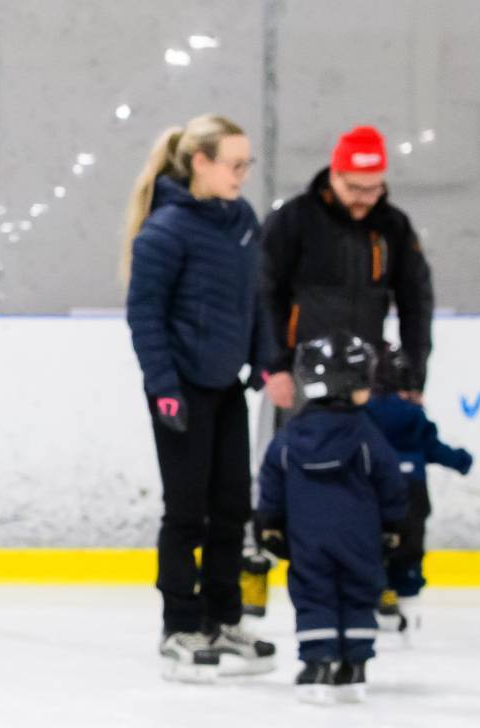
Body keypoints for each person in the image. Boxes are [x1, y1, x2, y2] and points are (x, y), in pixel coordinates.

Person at [122, 114, 278, 682]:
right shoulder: (165, 230)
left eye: (247, 164)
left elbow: (257, 298)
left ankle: (222, 618)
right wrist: (163, 387)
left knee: (233, 508)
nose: (242, 174)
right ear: (200, 163)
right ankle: (180, 625)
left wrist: (264, 358)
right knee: (187, 512)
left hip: (226, 385)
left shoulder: (241, 221)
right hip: (180, 390)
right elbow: (145, 316)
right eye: (234, 163)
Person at [256, 333, 407, 703]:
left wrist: (270, 523)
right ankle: (354, 667)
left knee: (313, 594)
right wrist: (392, 525)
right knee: (358, 594)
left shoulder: (289, 436)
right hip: (361, 539)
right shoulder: (366, 434)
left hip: (308, 539)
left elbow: (270, 479)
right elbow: (390, 481)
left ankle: (317, 663)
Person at [257, 125, 436, 408]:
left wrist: (412, 377)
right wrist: (275, 366)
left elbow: (416, 303)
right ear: (334, 175)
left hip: (369, 378)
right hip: (302, 376)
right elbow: (263, 294)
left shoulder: (393, 226)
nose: (363, 199)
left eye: (373, 189)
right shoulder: (293, 220)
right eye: (354, 188)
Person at [364, 346, 473, 633]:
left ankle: (380, 587)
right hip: (412, 489)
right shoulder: (414, 415)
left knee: (376, 542)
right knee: (410, 546)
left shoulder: (364, 412)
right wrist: (461, 461)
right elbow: (433, 448)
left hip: (375, 490)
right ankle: (408, 598)